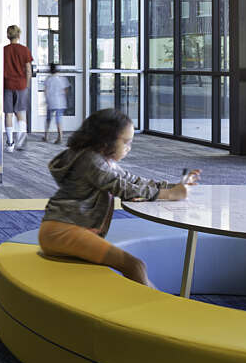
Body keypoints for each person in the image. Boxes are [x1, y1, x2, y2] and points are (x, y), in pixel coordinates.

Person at [39, 109, 201, 287]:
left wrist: (175, 186)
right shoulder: (91, 161)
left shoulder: (102, 161)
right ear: (105, 140)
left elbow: (134, 181)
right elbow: (124, 189)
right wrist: (171, 194)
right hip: (62, 232)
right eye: (125, 142)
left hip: (70, 229)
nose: (128, 147)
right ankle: (157, 309)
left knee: (120, 269)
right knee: (134, 265)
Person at [3, 25, 33, 151]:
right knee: (20, 113)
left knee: (8, 114)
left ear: (8, 36)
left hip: (7, 84)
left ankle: (10, 143)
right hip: (21, 85)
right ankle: (21, 139)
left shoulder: (4, 50)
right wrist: (27, 85)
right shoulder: (24, 50)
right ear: (19, 35)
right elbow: (28, 69)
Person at [43, 63, 68, 144]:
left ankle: (46, 136)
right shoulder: (62, 78)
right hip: (60, 102)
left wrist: (46, 99)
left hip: (51, 102)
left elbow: (45, 91)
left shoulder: (48, 79)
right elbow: (65, 90)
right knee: (59, 120)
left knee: (48, 119)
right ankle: (60, 136)